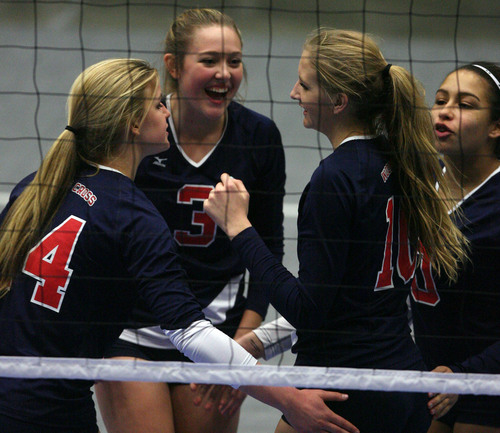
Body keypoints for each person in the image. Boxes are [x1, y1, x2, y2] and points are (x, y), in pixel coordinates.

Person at [0, 57, 359, 433]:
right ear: (133, 124)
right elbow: (192, 333)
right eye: (157, 103)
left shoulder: (37, 186)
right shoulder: (133, 215)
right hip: (49, 415)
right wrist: (288, 397)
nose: (166, 112)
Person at [204, 28, 469, 433]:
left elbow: (308, 309)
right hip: (400, 379)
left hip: (343, 389)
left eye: (305, 84)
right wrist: (261, 340)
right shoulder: (399, 159)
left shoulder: (336, 178)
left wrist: (239, 228)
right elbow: (349, 296)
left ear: (339, 101)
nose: (293, 93)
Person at [94, 8, 286, 433]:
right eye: (210, 60)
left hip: (217, 332)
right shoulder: (139, 132)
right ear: (173, 66)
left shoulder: (259, 137)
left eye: (234, 61)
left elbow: (269, 248)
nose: (225, 73)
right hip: (133, 329)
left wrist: (244, 346)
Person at [410, 62, 500, 433]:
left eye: (465, 104)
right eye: (441, 100)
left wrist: (466, 375)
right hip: (432, 382)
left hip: (487, 382)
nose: (445, 110)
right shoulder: (417, 189)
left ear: (496, 127)